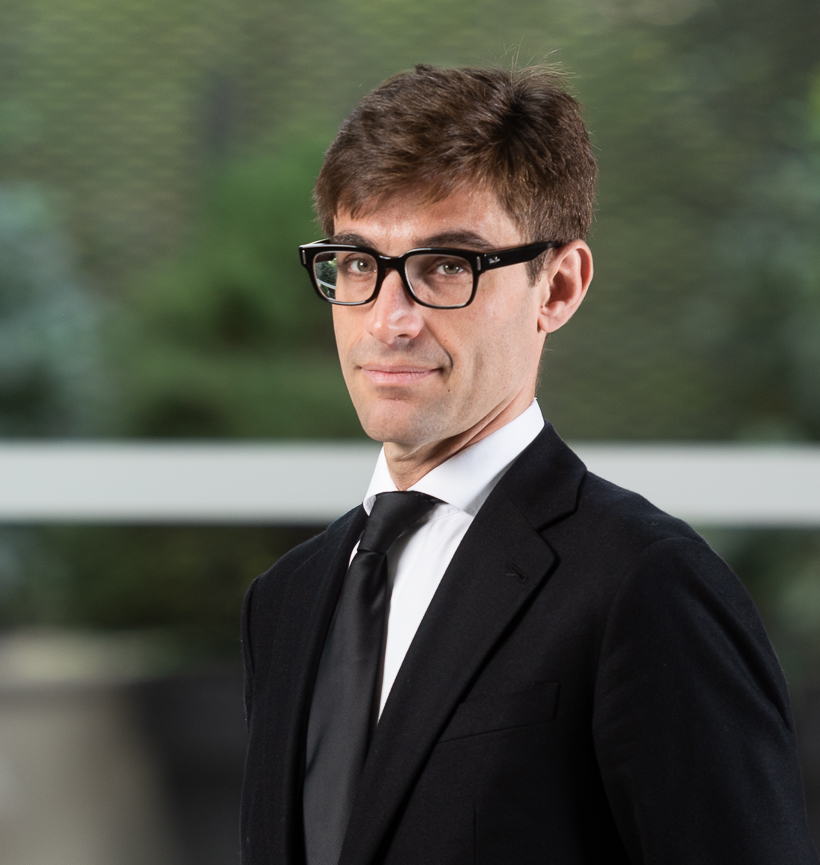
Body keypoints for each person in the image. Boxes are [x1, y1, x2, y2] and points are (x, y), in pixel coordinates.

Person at [239, 64, 819, 865]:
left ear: (558, 287)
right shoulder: (286, 600)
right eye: (360, 263)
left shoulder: (647, 587)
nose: (388, 321)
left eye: (448, 264)